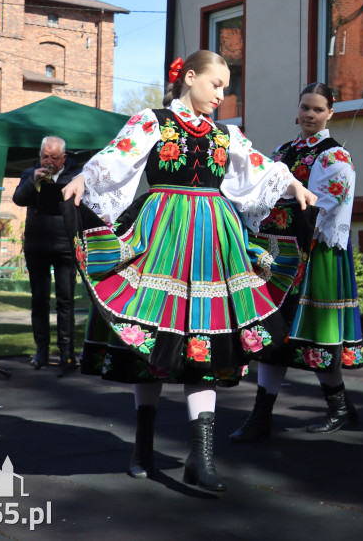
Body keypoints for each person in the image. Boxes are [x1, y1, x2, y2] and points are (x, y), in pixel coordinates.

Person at [63, 50, 317, 492]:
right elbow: (118, 156)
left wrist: (293, 183)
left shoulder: (226, 133)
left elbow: (257, 166)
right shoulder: (153, 121)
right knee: (155, 334)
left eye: (226, 87)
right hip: (163, 233)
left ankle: (202, 456)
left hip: (215, 238)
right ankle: (143, 445)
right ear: (191, 77)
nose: (222, 94)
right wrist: (87, 177)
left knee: (208, 337)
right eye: (216, 84)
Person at [230, 82, 363, 443]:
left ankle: (338, 408)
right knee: (274, 332)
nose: (309, 114)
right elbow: (262, 191)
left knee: (315, 333)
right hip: (279, 255)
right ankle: (262, 415)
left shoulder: (336, 156)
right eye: (305, 107)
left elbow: (325, 206)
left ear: (330, 113)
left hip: (317, 255)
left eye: (317, 109)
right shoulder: (283, 151)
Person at [12, 136, 82, 372]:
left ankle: (66, 352)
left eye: (54, 158)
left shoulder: (76, 174)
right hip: (37, 243)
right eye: (45, 156)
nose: (49, 161)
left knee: (65, 301)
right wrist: (33, 181)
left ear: (64, 157)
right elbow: (19, 199)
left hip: (64, 243)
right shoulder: (29, 173)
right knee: (39, 300)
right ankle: (41, 350)